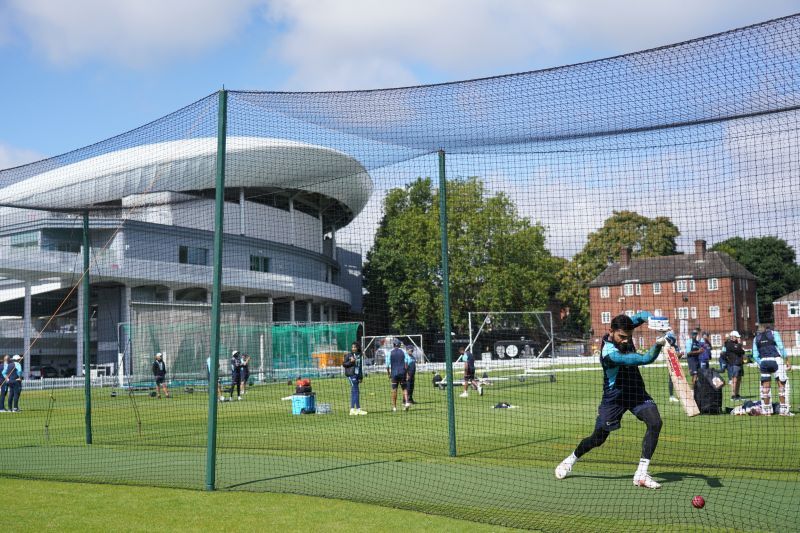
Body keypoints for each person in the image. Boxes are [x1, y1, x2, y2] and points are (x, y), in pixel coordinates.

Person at [555, 312, 672, 489]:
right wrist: (658, 344)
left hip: (636, 393)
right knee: (598, 438)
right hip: (614, 399)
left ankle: (641, 474)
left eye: (629, 337)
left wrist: (654, 321)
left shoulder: (623, 328)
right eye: (622, 337)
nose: (626, 341)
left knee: (655, 422)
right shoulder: (610, 354)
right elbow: (645, 359)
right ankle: (571, 458)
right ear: (611, 331)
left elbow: (641, 316)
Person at [752, 325, 793, 416]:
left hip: (764, 362)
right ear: (768, 329)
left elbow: (755, 355)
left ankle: (767, 411)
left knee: (765, 387)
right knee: (782, 385)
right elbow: (781, 347)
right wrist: (787, 361)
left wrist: (761, 362)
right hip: (776, 360)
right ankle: (783, 410)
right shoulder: (774, 334)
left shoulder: (756, 339)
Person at [386, 339, 410, 412]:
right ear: (400, 345)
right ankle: (406, 402)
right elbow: (406, 364)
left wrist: (389, 374)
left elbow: (387, 365)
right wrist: (407, 373)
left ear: (393, 345)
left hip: (394, 373)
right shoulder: (404, 352)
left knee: (394, 390)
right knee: (404, 388)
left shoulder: (389, 353)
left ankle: (394, 407)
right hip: (402, 372)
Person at [343, 342, 366, 415]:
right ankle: (358, 409)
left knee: (354, 392)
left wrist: (361, 377)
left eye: (355, 347)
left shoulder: (359, 355)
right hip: (351, 375)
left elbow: (360, 367)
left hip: (356, 375)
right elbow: (344, 364)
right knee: (356, 391)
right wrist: (351, 361)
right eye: (352, 347)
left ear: (358, 348)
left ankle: (352, 409)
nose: (353, 348)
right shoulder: (348, 355)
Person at [722, 331, 746, 401]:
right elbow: (739, 350)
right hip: (734, 364)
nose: (738, 338)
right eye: (737, 337)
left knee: (739, 379)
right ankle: (733, 395)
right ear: (732, 336)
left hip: (739, 363)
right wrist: (739, 344)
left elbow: (742, 351)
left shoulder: (736, 344)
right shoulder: (729, 344)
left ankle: (737, 394)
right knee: (734, 379)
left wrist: (739, 346)